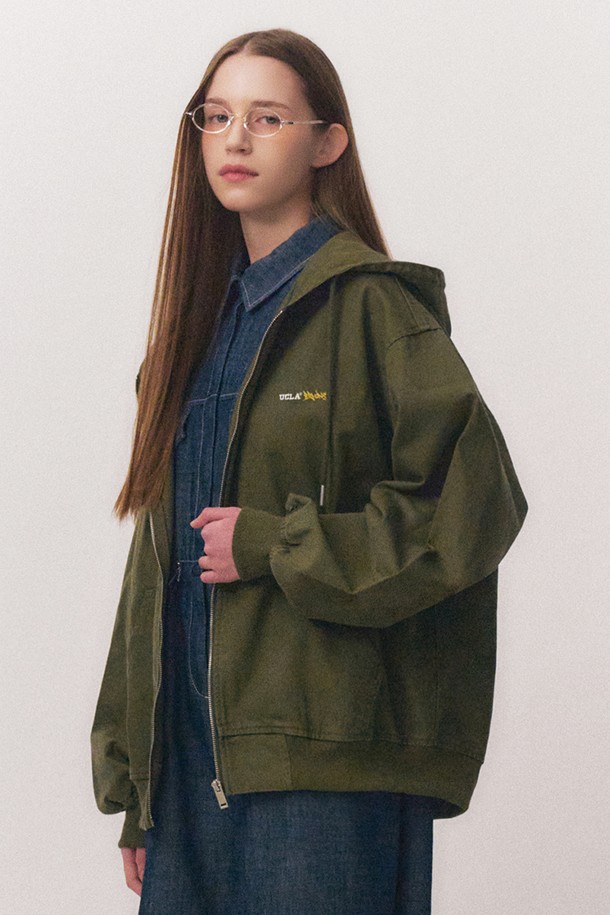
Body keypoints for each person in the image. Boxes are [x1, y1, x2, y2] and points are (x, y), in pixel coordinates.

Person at [91, 27, 528, 914]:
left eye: (268, 118)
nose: (236, 139)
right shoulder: (192, 338)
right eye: (217, 117)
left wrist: (277, 544)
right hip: (189, 771)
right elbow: (155, 567)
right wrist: (135, 779)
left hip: (322, 773)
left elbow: (473, 505)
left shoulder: (373, 309)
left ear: (327, 143)